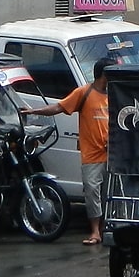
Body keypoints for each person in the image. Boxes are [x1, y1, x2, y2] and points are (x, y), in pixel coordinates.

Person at [56, 59, 113, 246]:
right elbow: (59, 107)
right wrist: (33, 111)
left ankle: (107, 229)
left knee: (108, 193)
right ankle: (95, 231)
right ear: (104, 74)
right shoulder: (84, 93)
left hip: (111, 155)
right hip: (92, 156)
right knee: (91, 192)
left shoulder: (114, 94)